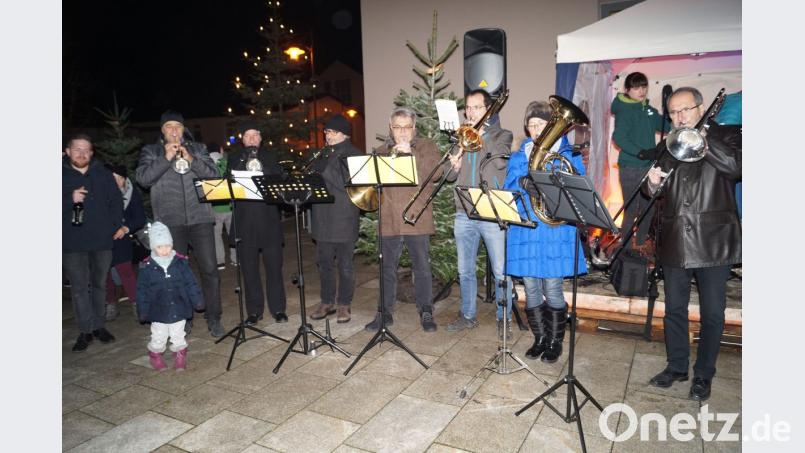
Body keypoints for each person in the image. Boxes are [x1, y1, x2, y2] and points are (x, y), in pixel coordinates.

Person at [644, 87, 741, 401]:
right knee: (674, 309)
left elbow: (736, 168)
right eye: (673, 112)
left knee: (713, 312)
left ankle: (703, 375)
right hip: (675, 238)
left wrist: (703, 141)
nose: (678, 117)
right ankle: (676, 367)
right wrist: (653, 184)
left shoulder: (729, 134)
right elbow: (652, 191)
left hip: (713, 239)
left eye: (684, 110)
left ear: (701, 109)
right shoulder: (668, 144)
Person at [503, 101, 587, 363]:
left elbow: (579, 186)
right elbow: (508, 187)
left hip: (555, 230)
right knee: (530, 287)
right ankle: (539, 339)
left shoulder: (568, 152)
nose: (536, 130)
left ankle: (555, 342)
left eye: (541, 124)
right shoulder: (519, 155)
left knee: (552, 288)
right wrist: (523, 180)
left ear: (552, 125)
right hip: (527, 227)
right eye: (531, 126)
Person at [135, 110, 225, 337]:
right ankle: (184, 319)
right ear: (162, 130)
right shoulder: (151, 151)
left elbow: (214, 175)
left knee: (210, 270)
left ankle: (213, 317)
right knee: (177, 272)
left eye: (178, 126)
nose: (174, 131)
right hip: (170, 223)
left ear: (184, 129)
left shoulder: (198, 149)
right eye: (169, 127)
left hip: (201, 219)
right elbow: (143, 179)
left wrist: (192, 159)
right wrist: (165, 158)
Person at [363, 106, 443, 332]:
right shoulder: (380, 152)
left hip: (416, 217)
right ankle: (384, 312)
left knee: (422, 268)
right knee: (386, 269)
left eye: (407, 127)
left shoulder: (426, 146)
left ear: (414, 127)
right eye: (398, 127)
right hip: (388, 219)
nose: (403, 132)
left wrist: (410, 154)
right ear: (391, 128)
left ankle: (426, 311)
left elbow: (435, 173)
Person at [445, 89, 514, 340]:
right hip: (464, 211)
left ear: (488, 110)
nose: (470, 112)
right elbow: (449, 176)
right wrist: (456, 164)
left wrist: (482, 136)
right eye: (468, 108)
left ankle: (503, 317)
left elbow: (499, 163)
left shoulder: (502, 135)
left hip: (492, 211)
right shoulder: (460, 137)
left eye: (476, 107)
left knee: (500, 270)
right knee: (465, 270)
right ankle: (467, 315)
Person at [63, 134, 122, 352]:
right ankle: (85, 331)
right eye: (77, 149)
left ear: (91, 153)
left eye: (86, 150)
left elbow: (116, 200)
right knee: (79, 289)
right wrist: (69, 198)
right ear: (68, 151)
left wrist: (114, 225)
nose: (81, 153)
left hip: (101, 240)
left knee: (100, 285)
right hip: (72, 241)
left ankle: (99, 326)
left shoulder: (102, 173)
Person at [226, 122, 288, 324]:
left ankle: (278, 309)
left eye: (255, 135)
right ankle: (254, 312)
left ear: (261, 139)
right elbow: (227, 179)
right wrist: (246, 157)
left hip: (268, 221)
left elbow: (279, 178)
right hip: (245, 222)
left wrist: (260, 163)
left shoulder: (270, 157)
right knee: (249, 271)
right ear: (243, 139)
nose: (252, 139)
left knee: (274, 270)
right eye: (248, 135)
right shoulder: (235, 157)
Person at [308, 115, 363, 324]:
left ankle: (344, 304)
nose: (327, 136)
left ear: (344, 134)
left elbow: (348, 185)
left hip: (344, 217)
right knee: (324, 264)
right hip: (322, 217)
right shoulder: (323, 153)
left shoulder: (354, 154)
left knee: (345, 265)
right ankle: (326, 301)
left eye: (332, 132)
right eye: (326, 132)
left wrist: (323, 169)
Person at [136, 222, 205, 371]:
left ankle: (180, 354)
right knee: (159, 335)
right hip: (158, 309)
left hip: (179, 306)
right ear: (153, 247)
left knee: (178, 333)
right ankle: (155, 354)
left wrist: (197, 300)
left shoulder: (180, 262)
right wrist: (143, 310)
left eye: (167, 245)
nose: (165, 250)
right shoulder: (147, 267)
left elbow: (190, 282)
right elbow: (142, 291)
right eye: (160, 247)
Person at [610, 72, 666, 251]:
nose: (641, 91)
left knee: (648, 207)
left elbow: (665, 125)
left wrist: (672, 115)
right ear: (627, 90)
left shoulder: (647, 109)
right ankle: (624, 248)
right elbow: (619, 136)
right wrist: (640, 153)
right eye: (636, 88)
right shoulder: (625, 110)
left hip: (649, 166)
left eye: (643, 87)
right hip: (630, 167)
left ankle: (640, 245)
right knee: (632, 208)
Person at [104, 164, 146, 321]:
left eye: (119, 179)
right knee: (104, 275)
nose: (116, 183)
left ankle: (137, 304)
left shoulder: (130, 193)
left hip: (122, 238)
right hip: (103, 240)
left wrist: (125, 228)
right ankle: (110, 304)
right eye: (112, 179)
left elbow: (139, 218)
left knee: (126, 272)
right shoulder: (101, 193)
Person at [208, 142, 238, 269]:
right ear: (220, 149)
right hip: (230, 204)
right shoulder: (228, 161)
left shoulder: (206, 165)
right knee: (234, 233)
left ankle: (220, 262)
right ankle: (236, 259)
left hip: (214, 206)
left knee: (216, 235)